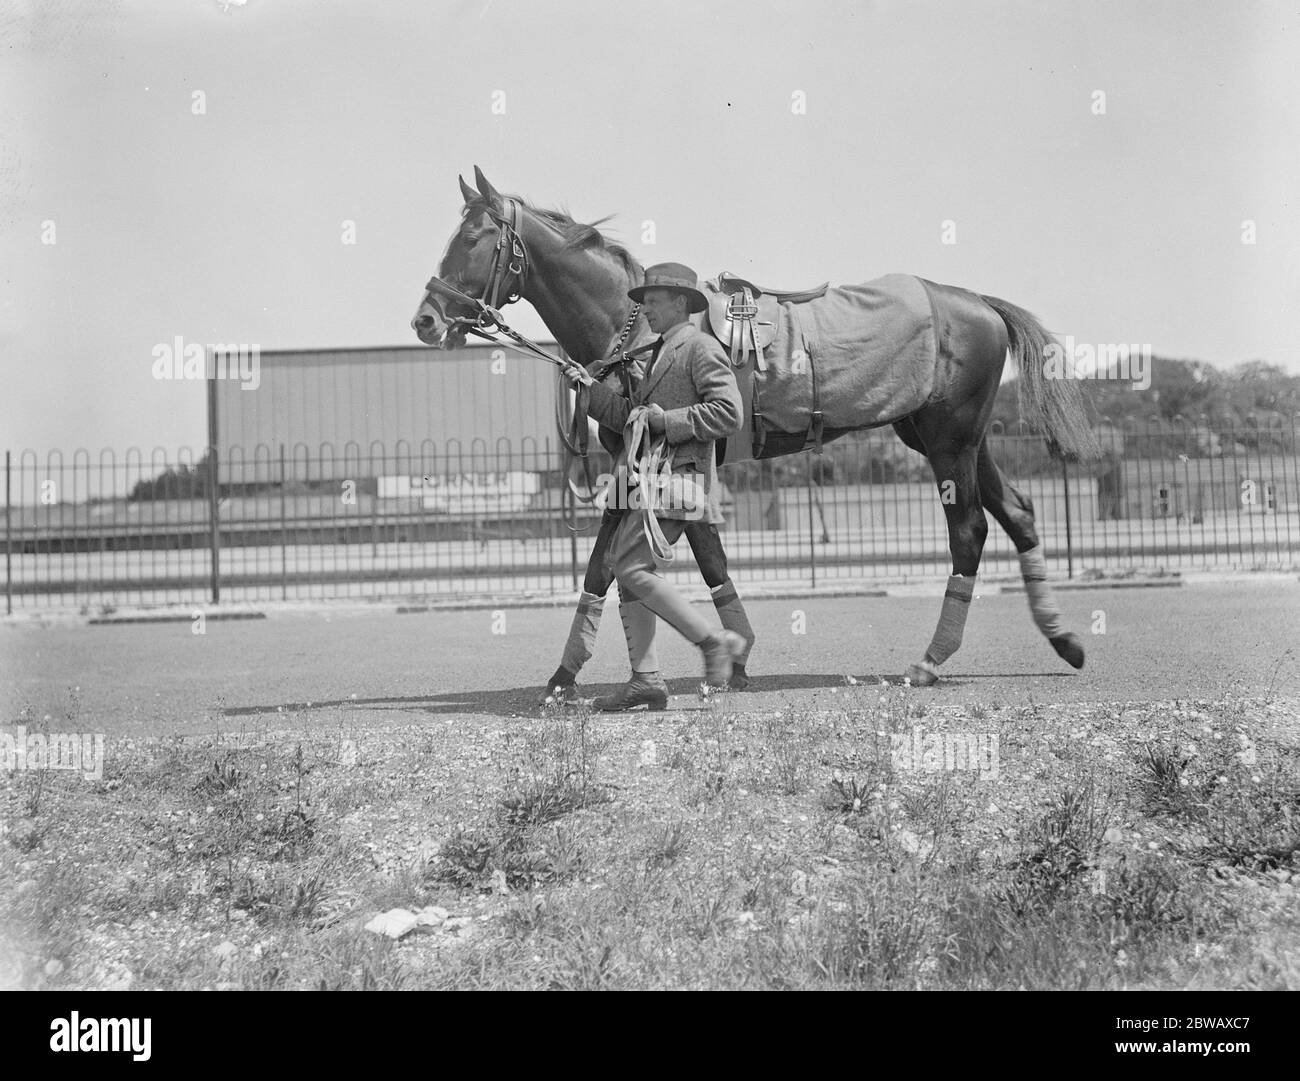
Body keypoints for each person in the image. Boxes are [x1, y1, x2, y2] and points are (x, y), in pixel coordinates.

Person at [562, 263, 746, 711]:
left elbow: (728, 413)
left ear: (681, 303)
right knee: (629, 572)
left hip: (680, 480)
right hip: (651, 483)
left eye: (653, 301)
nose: (644, 309)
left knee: (629, 569)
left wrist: (668, 420)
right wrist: (587, 391)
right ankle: (645, 679)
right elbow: (633, 417)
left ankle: (712, 642)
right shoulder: (660, 352)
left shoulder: (699, 347)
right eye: (643, 302)